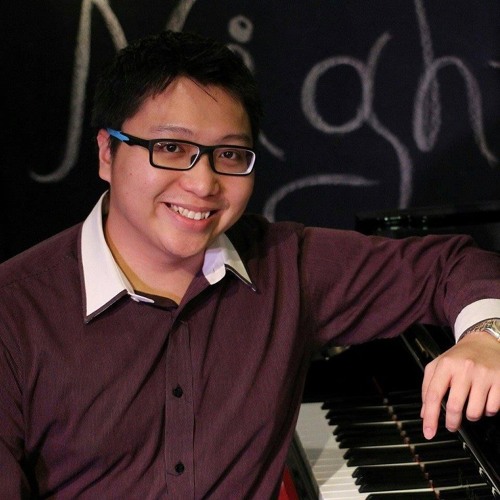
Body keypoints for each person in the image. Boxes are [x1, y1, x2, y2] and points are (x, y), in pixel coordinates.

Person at [1, 30, 500, 499]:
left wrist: (487, 334)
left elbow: (451, 264)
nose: (203, 183)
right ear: (107, 153)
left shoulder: (285, 263)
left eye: (230, 154)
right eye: (171, 148)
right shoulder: (13, 312)